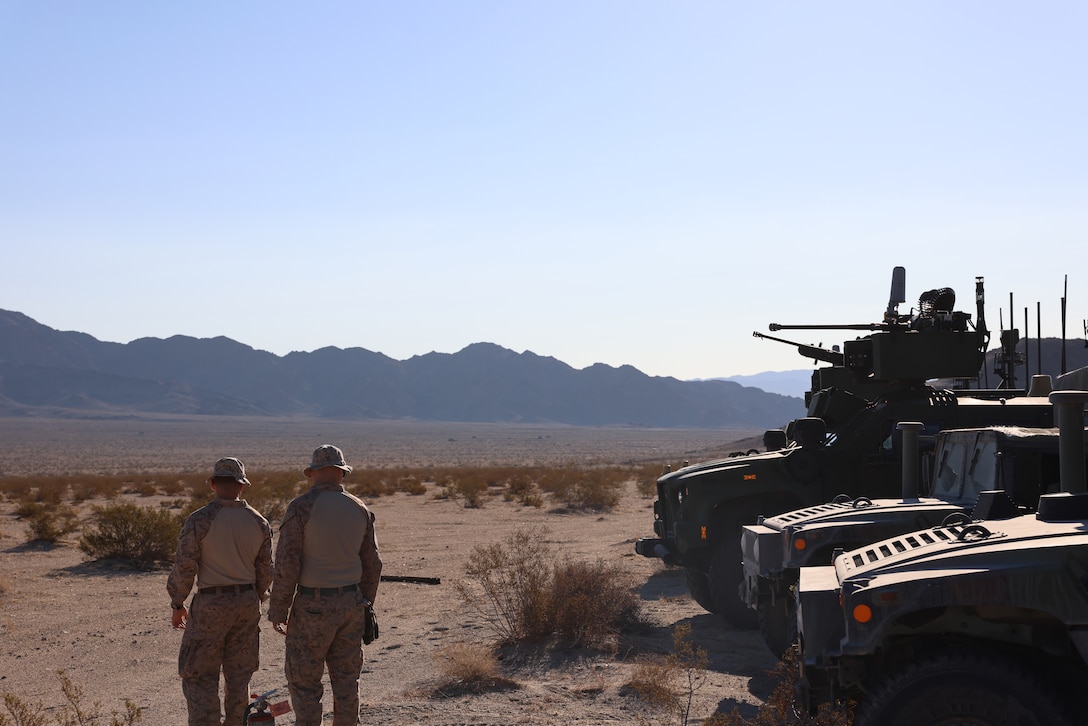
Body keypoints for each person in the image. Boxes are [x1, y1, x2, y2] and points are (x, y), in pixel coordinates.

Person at [268, 444, 382, 726]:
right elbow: (373, 564)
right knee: (346, 681)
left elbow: (286, 564)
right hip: (351, 604)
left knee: (305, 682)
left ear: (313, 473)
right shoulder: (359, 508)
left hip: (312, 606)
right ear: (341, 473)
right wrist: (365, 601)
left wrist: (279, 609)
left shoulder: (301, 507)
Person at [167, 456, 274, 726]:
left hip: (212, 603)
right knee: (239, 677)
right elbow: (266, 571)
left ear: (213, 484)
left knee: (200, 675)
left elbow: (185, 566)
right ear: (242, 486)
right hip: (247, 603)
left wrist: (178, 602)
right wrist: (255, 598)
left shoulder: (200, 520)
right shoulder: (259, 522)